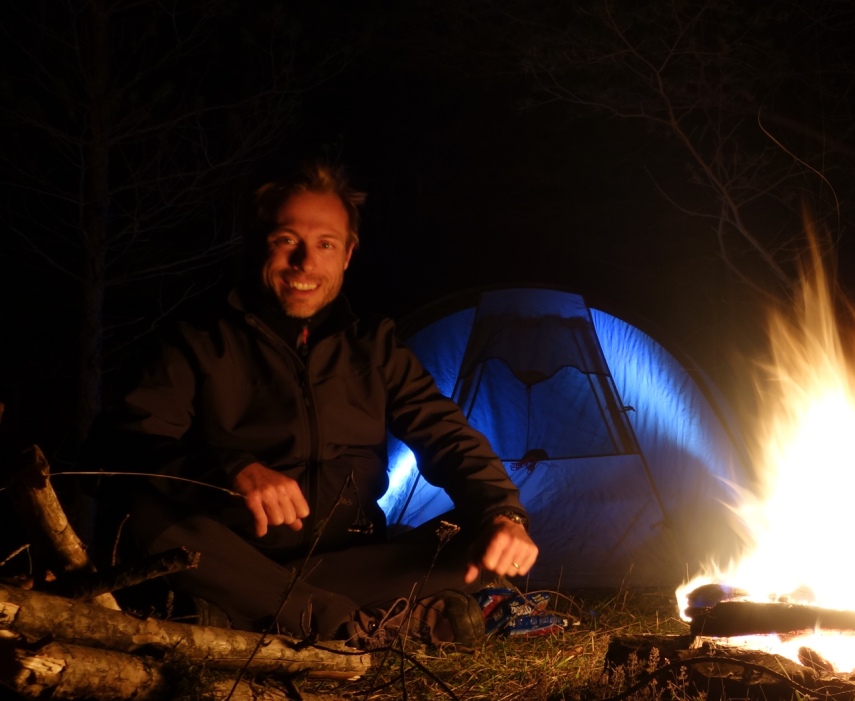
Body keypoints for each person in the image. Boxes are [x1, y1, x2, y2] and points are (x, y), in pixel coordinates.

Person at [83, 161, 538, 649]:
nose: (305, 262)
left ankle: (247, 617)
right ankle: (346, 626)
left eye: (325, 244)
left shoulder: (374, 346)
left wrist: (503, 514)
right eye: (286, 240)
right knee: (143, 515)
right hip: (231, 558)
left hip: (346, 563)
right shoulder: (196, 341)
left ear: (347, 254)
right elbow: (113, 449)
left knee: (479, 540)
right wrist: (231, 469)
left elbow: (447, 436)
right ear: (258, 243)